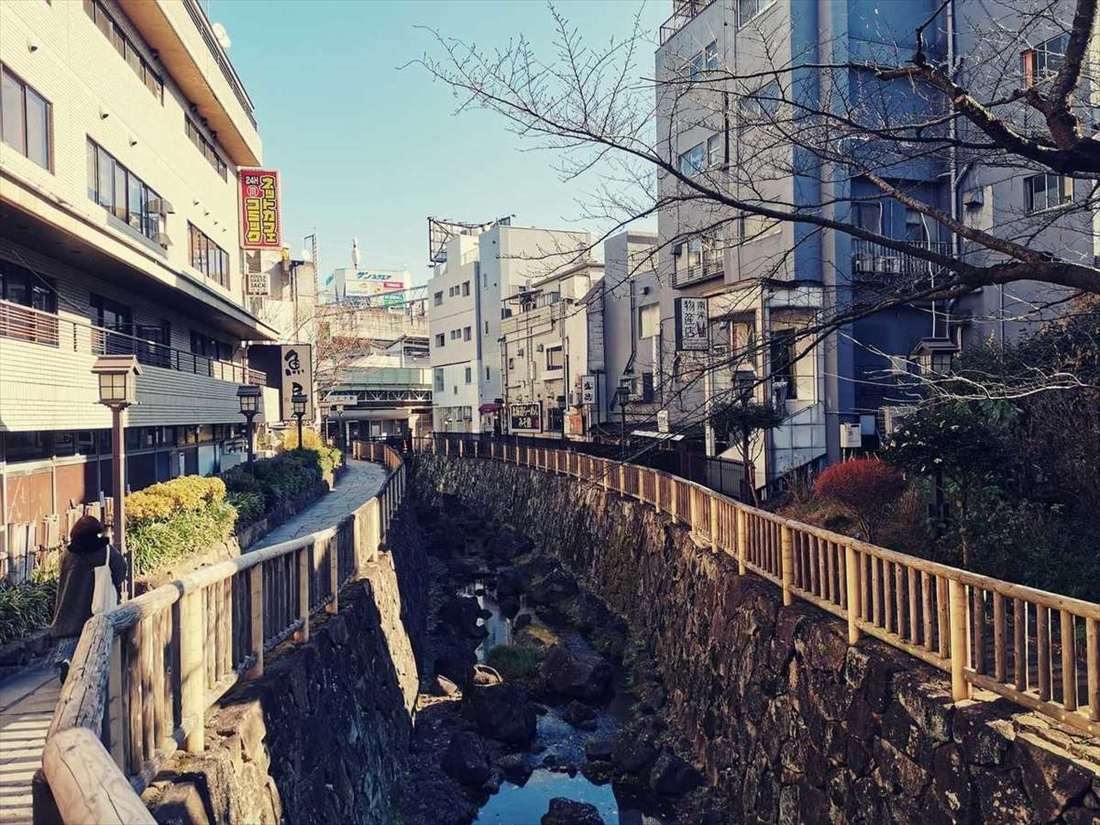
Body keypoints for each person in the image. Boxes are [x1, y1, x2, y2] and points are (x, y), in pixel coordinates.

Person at [49, 515, 126, 684]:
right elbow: (121, 572)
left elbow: (61, 578)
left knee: (68, 645)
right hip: (96, 607)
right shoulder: (106, 551)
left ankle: (65, 663)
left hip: (69, 610)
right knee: (96, 646)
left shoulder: (67, 554)